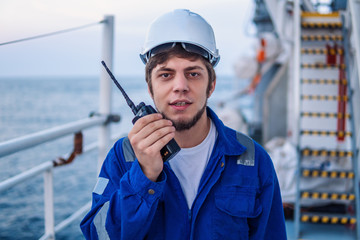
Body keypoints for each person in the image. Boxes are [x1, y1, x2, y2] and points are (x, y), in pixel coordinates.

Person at [80, 9, 287, 240]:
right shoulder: (123, 156)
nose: (180, 86)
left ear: (211, 85)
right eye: (166, 75)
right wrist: (144, 175)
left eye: (193, 73)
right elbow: (97, 235)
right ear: (150, 88)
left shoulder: (253, 160)